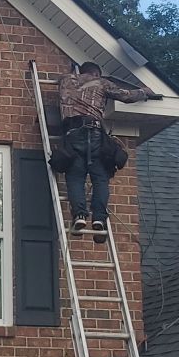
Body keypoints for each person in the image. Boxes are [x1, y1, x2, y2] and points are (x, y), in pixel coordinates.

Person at [57, 61, 153, 243]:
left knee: (75, 177)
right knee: (100, 178)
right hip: (94, 133)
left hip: (72, 135)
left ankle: (79, 216)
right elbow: (126, 96)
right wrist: (144, 92)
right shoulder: (101, 82)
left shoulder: (64, 80)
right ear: (96, 74)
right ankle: (99, 218)